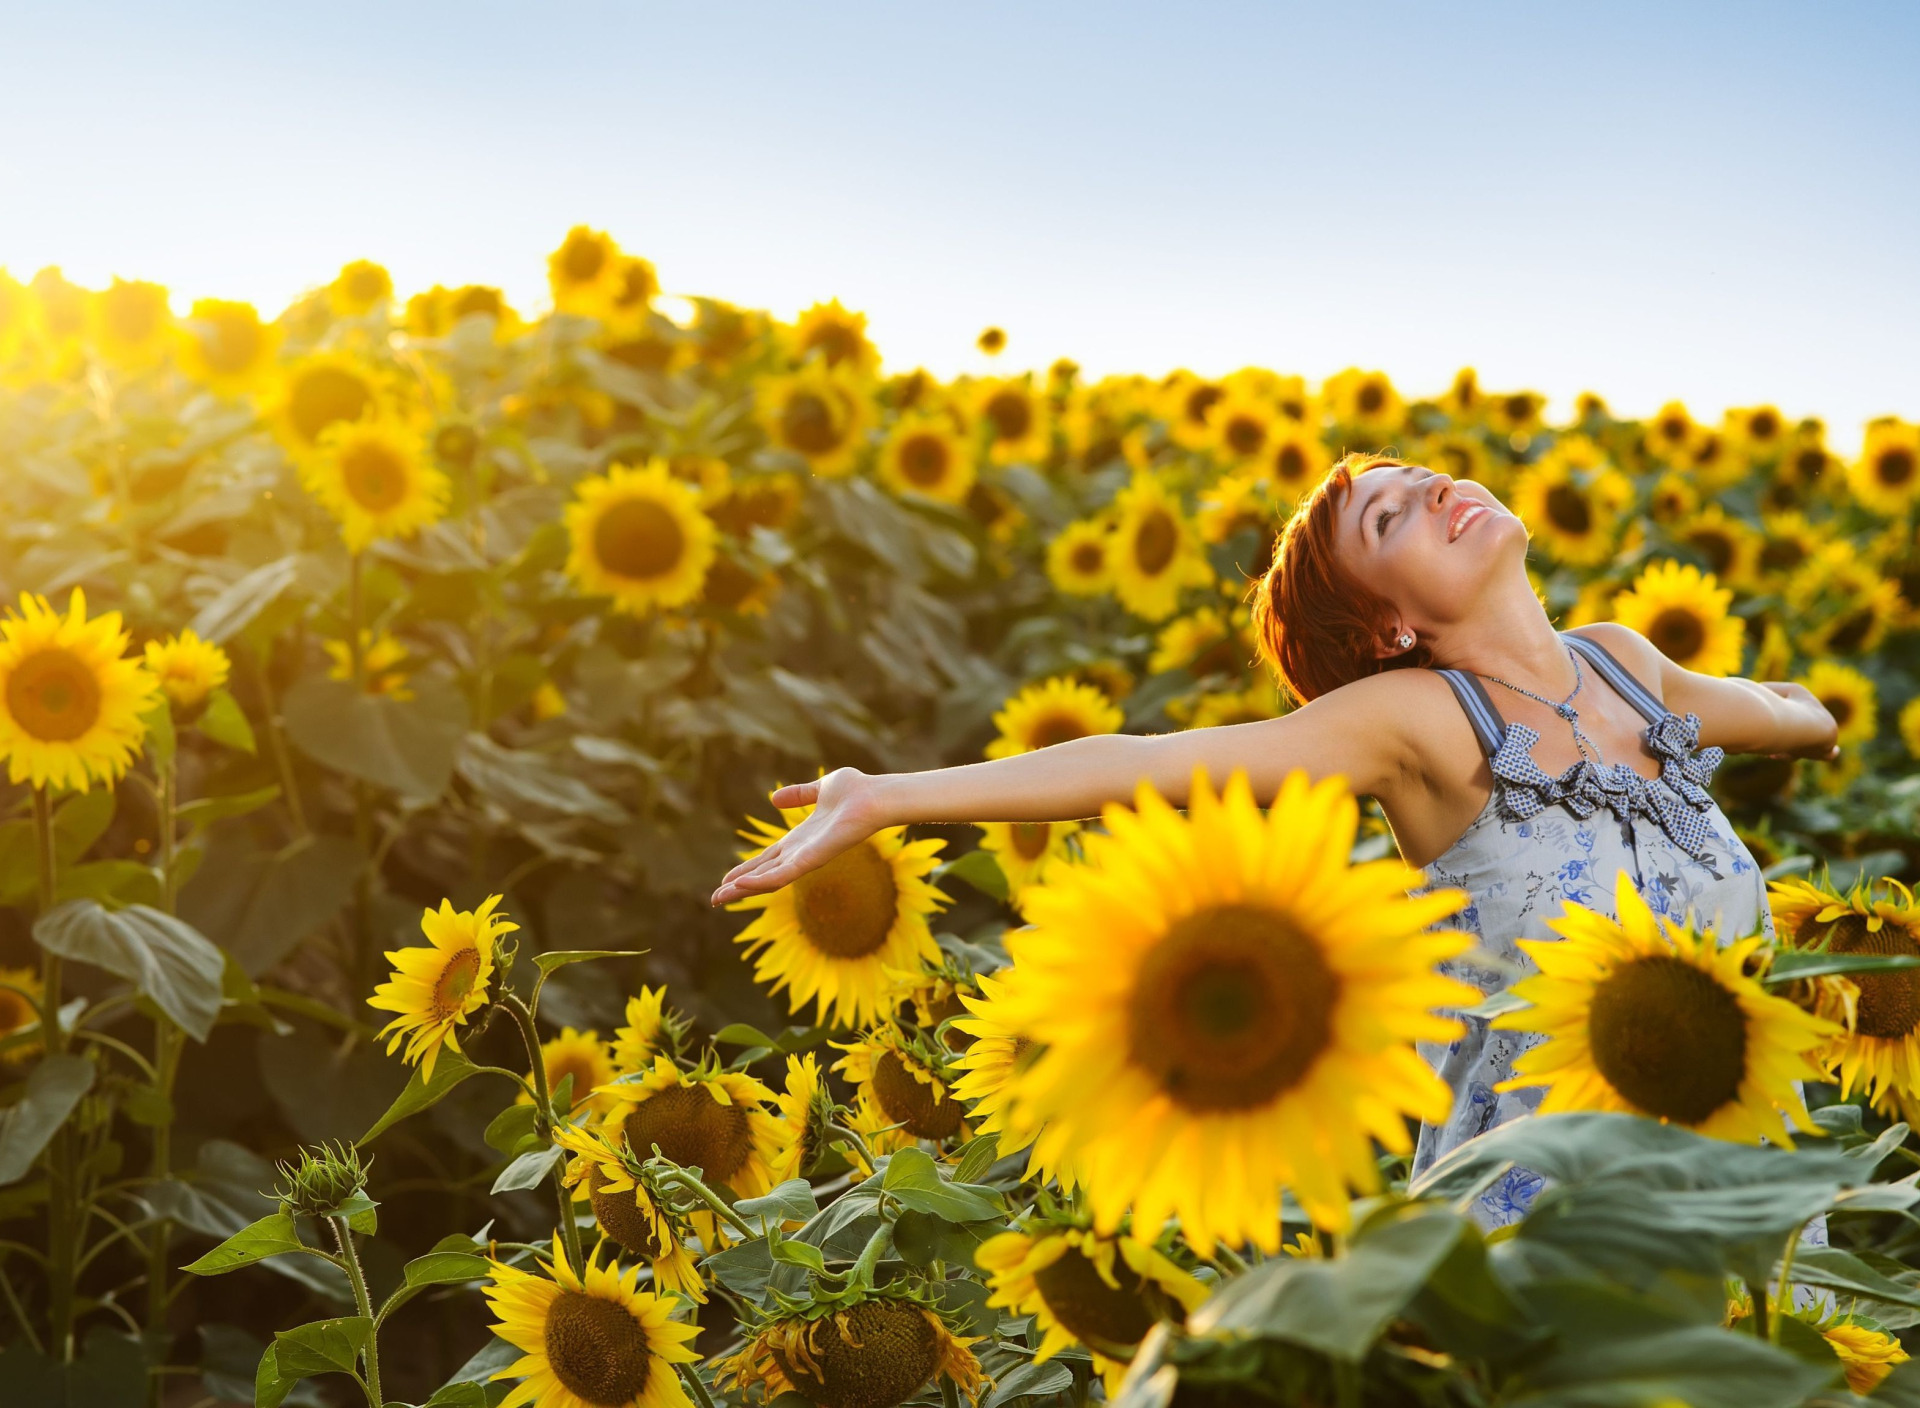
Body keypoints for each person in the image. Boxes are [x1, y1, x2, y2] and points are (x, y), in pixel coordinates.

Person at [707, 451, 1840, 1225]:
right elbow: (1150, 766)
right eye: (1390, 516)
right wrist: (891, 794)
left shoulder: (1628, 669)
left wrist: (1820, 723)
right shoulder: (1422, 725)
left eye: (1420, 475)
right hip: (1553, 1240)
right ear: (1390, 623)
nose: (1436, 488)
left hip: (1751, 1190)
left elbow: (1790, 709)